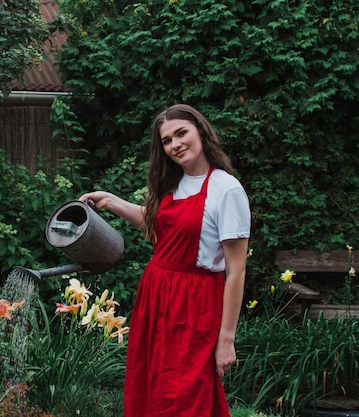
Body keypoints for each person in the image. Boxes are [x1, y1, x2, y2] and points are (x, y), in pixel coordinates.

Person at [80, 104, 250, 417]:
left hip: (194, 304)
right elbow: (160, 225)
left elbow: (236, 271)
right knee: (151, 385)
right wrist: (112, 201)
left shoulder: (226, 190)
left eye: (181, 133)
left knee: (185, 394)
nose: (175, 144)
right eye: (167, 140)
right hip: (156, 298)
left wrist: (226, 339)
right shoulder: (174, 183)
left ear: (200, 131)